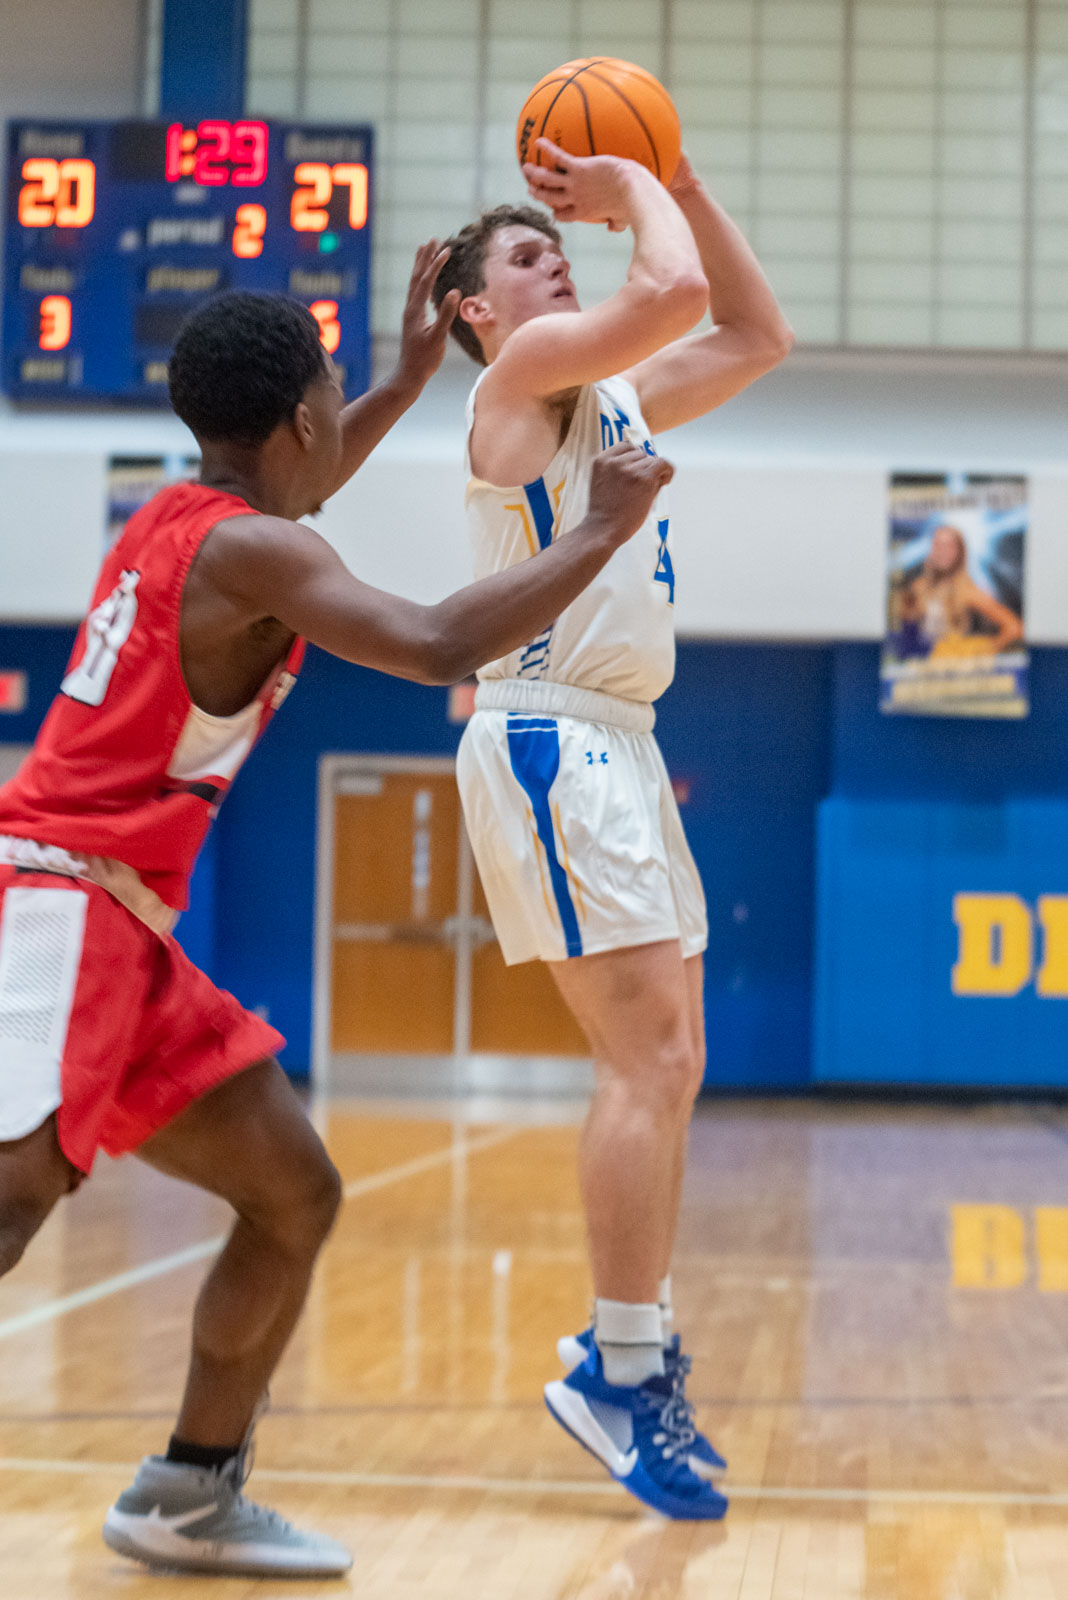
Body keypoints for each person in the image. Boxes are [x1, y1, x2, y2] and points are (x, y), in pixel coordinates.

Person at [0, 245, 672, 1578]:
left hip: (117, 924)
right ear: (302, 418)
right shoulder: (257, 549)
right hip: (60, 909)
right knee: (11, 1202)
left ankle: (191, 1490)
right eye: (332, 398)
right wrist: (598, 530)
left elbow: (306, 480)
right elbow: (434, 643)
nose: (337, 422)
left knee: (292, 1192)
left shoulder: (189, 519)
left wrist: (410, 380)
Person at [432, 140, 793, 1518]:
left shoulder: (615, 400)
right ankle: (620, 1369)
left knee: (674, 1063)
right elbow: (671, 292)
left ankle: (626, 1346)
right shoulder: (519, 379)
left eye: (558, 247)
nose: (556, 264)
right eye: (529, 257)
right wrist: (632, 184)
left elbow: (754, 332)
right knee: (645, 1061)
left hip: (622, 742)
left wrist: (682, 178)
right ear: (478, 310)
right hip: (553, 732)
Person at [894, 523, 1023, 658]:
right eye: (938, 545)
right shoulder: (919, 587)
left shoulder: (968, 590)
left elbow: (1014, 627)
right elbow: (906, 630)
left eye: (949, 546)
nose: (942, 551)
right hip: (923, 662)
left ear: (960, 552)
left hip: (953, 664)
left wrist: (982, 651)